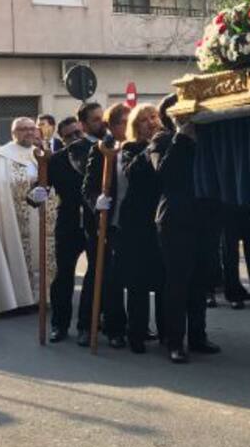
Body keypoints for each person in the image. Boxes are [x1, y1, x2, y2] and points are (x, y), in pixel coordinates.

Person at [150, 98, 221, 362]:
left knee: (200, 281)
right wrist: (182, 137)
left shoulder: (207, 138)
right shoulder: (162, 141)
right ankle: (174, 341)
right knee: (178, 282)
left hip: (206, 218)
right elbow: (165, 172)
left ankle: (198, 336)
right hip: (175, 220)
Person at [0, 117, 54, 315]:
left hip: (40, 214)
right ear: (14, 133)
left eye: (32, 128)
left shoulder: (39, 154)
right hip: (13, 216)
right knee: (18, 253)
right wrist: (28, 190)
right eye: (23, 129)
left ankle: (41, 296)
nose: (29, 132)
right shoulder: (1, 157)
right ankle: (19, 299)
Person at [78, 103, 131, 349]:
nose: (127, 127)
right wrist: (96, 202)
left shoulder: (133, 146)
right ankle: (87, 326)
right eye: (123, 122)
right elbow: (88, 187)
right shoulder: (101, 148)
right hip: (101, 223)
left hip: (127, 223)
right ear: (113, 125)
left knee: (119, 276)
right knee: (99, 275)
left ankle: (119, 325)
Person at [115, 103, 166, 353]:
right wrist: (150, 147)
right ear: (136, 126)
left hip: (161, 219)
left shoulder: (167, 143)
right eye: (145, 119)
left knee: (164, 280)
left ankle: (168, 333)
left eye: (154, 117)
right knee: (138, 283)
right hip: (136, 222)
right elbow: (132, 172)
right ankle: (136, 333)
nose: (152, 122)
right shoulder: (130, 148)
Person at [45, 114, 87, 342]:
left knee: (96, 276)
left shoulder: (98, 152)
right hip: (68, 220)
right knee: (63, 275)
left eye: (78, 133)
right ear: (62, 139)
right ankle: (59, 325)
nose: (75, 138)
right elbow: (42, 187)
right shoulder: (56, 160)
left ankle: (87, 326)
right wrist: (37, 194)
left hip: (93, 220)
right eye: (69, 136)